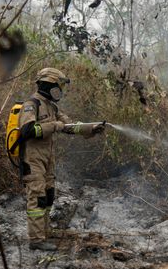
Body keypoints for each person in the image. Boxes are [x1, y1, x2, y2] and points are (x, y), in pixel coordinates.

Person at [18, 67, 104, 251]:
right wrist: (54, 125)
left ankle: (45, 232)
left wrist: (91, 128)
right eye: (57, 86)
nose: (60, 91)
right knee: (37, 196)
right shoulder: (31, 104)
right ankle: (36, 239)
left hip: (47, 158)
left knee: (48, 195)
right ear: (47, 85)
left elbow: (69, 126)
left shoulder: (52, 106)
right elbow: (27, 131)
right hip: (32, 159)